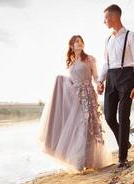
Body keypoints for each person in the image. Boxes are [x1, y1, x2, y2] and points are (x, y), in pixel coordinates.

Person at [39, 35, 111, 172]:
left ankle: (88, 161)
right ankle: (79, 161)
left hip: (88, 96)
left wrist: (100, 84)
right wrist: (61, 81)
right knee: (78, 127)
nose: (80, 43)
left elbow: (95, 77)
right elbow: (71, 81)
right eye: (77, 41)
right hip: (75, 97)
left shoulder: (89, 59)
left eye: (81, 41)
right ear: (71, 45)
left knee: (88, 126)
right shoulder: (71, 62)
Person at [97, 4, 134, 168]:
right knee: (109, 116)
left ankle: (122, 158)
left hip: (127, 77)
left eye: (105, 18)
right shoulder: (108, 39)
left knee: (123, 117)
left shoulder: (131, 36)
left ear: (113, 17)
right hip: (111, 77)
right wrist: (100, 80)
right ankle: (125, 142)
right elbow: (105, 62)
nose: (104, 21)